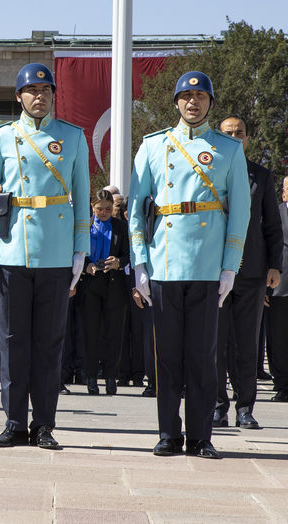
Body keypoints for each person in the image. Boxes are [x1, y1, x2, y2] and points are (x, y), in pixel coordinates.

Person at [128, 71, 250, 459]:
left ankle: (200, 436)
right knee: (167, 357)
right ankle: (168, 433)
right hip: (164, 263)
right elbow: (135, 210)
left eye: (200, 97)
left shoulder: (228, 150)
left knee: (202, 356)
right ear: (176, 103)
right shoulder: (152, 146)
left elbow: (241, 214)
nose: (192, 103)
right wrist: (140, 263)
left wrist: (230, 265)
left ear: (210, 103)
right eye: (185, 96)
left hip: (206, 263)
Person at [0, 63, 90, 448]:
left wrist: (80, 250)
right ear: (19, 97)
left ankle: (43, 424)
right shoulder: (2, 138)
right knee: (12, 342)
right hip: (13, 252)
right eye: (32, 90)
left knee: (49, 343)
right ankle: (13, 421)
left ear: (54, 95)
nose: (39, 96)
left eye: (46, 90)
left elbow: (82, 202)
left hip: (56, 253)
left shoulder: (73, 137)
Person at [213, 116, 282, 429]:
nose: (235, 137)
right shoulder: (209, 171)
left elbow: (272, 224)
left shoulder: (261, 176)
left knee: (246, 343)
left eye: (239, 133)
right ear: (219, 137)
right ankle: (217, 406)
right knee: (215, 342)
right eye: (228, 133)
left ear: (247, 138)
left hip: (252, 272)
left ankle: (245, 408)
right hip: (213, 270)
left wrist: (275, 265)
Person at [80, 189, 130, 395]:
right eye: (100, 209)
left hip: (114, 284)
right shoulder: (85, 226)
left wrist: (118, 263)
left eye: (108, 210)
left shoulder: (120, 227)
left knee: (114, 334)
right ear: (93, 207)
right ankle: (91, 377)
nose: (104, 213)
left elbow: (129, 255)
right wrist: (86, 266)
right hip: (91, 285)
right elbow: (76, 252)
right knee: (91, 333)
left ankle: (111, 377)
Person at [267, 176, 288, 403]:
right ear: (283, 193)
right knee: (279, 340)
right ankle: (282, 384)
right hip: (280, 286)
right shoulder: (276, 214)